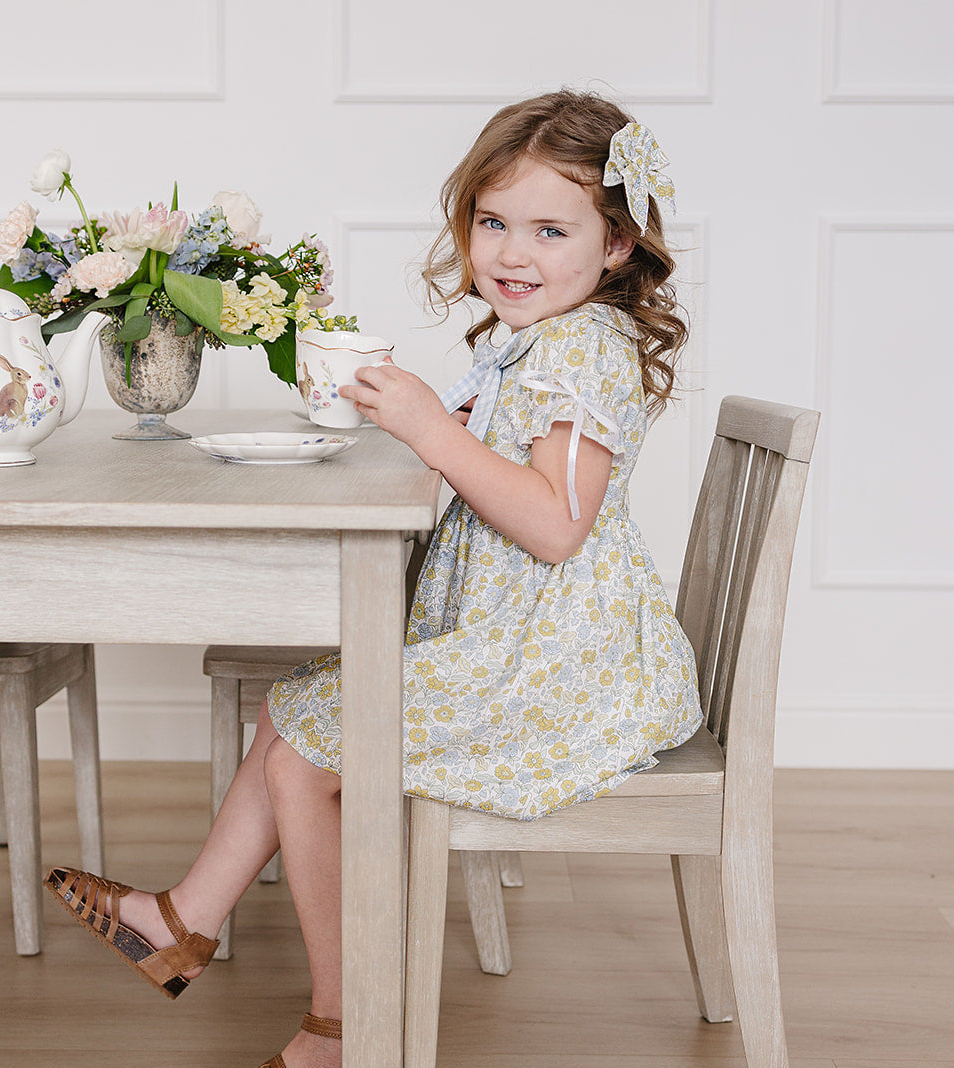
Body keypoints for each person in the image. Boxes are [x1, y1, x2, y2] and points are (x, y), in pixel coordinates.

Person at [45, 88, 703, 1068]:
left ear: (613, 246)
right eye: (492, 222)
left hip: (561, 661)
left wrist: (431, 431)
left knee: (305, 751)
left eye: (548, 230)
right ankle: (180, 920)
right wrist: (430, 426)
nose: (512, 254)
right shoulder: (543, 338)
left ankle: (339, 1027)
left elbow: (556, 526)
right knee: (298, 701)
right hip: (521, 635)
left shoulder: (582, 350)